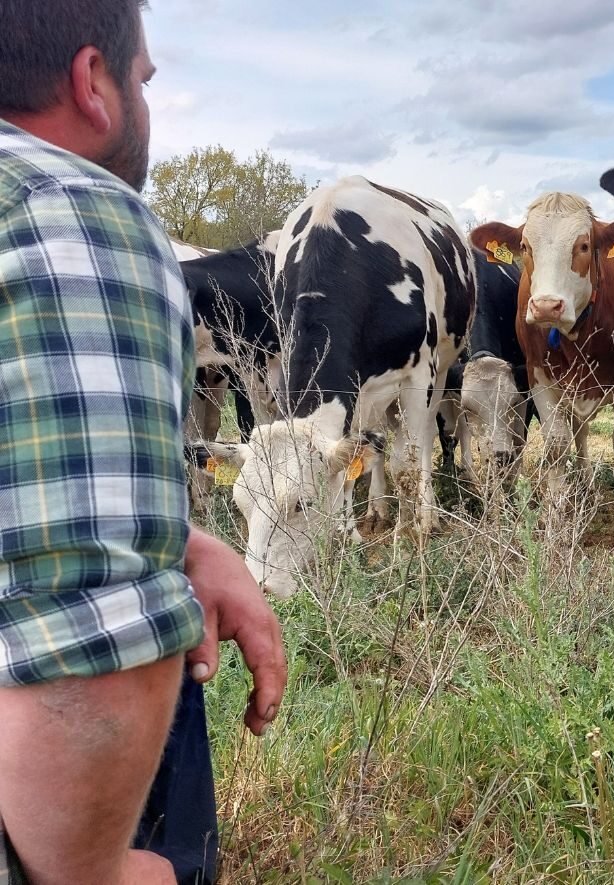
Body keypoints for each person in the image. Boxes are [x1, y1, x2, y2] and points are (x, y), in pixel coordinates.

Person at [0, 2, 288, 883]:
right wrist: (98, 872)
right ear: (95, 83)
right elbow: (85, 652)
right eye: (144, 81)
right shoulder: (67, 211)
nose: (146, 104)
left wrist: (178, 534)